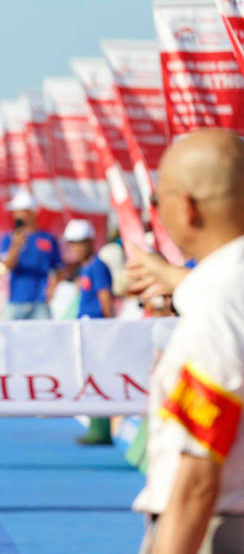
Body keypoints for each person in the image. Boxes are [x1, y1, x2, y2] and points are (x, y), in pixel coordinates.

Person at [128, 129, 244, 552]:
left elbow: (197, 480)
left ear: (186, 207)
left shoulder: (217, 310)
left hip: (217, 529)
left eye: (158, 202)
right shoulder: (223, 290)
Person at [64, 219, 115, 445]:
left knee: (97, 379)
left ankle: (101, 430)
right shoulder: (85, 268)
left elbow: (105, 298)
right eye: (72, 243)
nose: (75, 247)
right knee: (88, 378)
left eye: (79, 242)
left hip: (97, 330)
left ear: (90, 242)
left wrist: (108, 328)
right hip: (86, 329)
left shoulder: (98, 266)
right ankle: (96, 427)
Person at [0, 191, 63, 320]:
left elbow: (58, 268)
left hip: (40, 303)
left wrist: (53, 288)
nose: (16, 215)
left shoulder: (48, 239)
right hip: (16, 302)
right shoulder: (8, 238)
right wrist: (16, 246)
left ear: (32, 212)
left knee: (45, 338)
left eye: (20, 211)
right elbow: (6, 266)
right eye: (15, 212)